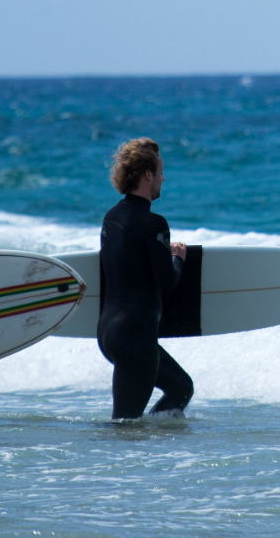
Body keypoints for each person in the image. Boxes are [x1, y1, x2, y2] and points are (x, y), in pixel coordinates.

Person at [97, 138, 193, 420]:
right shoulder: (154, 223)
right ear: (147, 174)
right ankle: (108, 461)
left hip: (108, 332)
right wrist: (178, 259)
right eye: (160, 171)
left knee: (181, 387)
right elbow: (167, 282)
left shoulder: (110, 218)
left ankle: (155, 445)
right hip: (135, 337)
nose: (163, 178)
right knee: (125, 426)